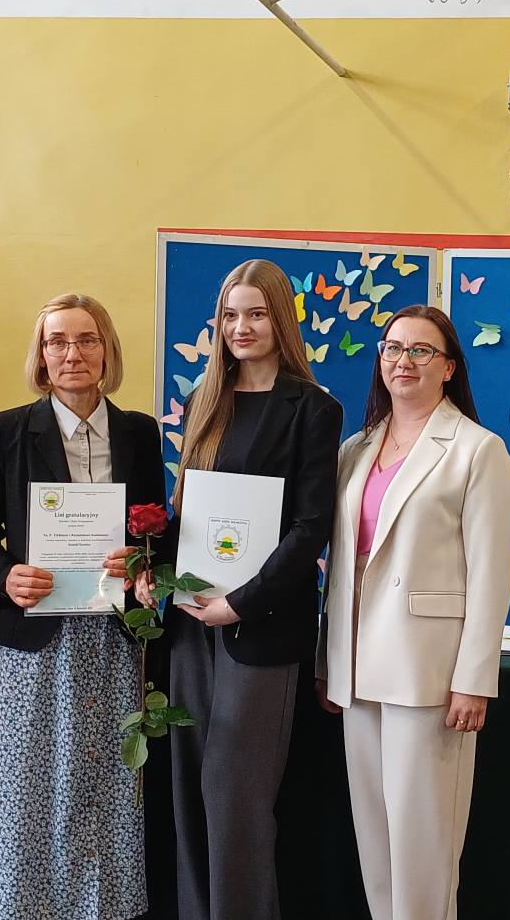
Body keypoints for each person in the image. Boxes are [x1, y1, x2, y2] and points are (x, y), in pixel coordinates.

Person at [118, 258, 341, 920]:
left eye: (257, 314)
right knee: (189, 784)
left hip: (261, 625)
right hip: (192, 622)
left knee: (233, 792)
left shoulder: (313, 408)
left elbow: (310, 528)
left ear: (281, 321)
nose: (242, 327)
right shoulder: (205, 402)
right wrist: (152, 567)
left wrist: (238, 603)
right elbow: (191, 512)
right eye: (231, 315)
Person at [0, 294, 162, 919]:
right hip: (36, 638)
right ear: (42, 356)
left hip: (112, 639)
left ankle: (105, 907)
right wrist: (5, 577)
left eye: (86, 339)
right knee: (29, 787)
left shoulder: (138, 433)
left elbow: (156, 530)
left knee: (107, 784)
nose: (72, 353)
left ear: (107, 350)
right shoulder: (7, 430)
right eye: (57, 341)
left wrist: (141, 560)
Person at [317, 305, 510, 920]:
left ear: (449, 367)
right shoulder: (355, 449)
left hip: (428, 673)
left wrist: (473, 679)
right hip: (358, 670)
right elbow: (341, 568)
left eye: (421, 350)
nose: (404, 360)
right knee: (374, 842)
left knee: (423, 845)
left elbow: (491, 574)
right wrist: (329, 663)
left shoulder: (478, 450)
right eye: (393, 348)